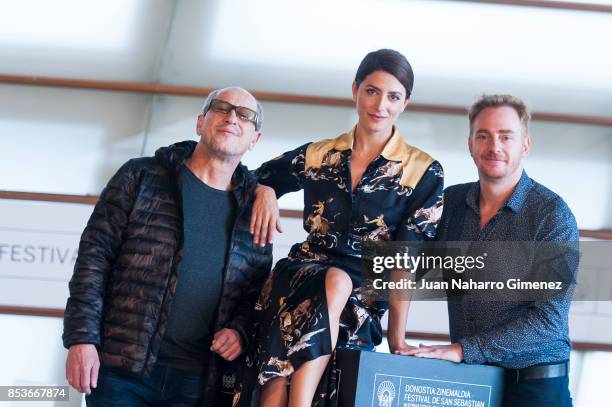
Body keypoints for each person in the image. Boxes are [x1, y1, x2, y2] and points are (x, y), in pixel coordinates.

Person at [244, 49, 444, 407]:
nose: (380, 104)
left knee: (336, 291)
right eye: (371, 90)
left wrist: (398, 339)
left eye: (393, 96)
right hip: (301, 274)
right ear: (355, 90)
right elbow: (252, 178)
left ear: (405, 103)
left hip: (364, 297)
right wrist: (265, 190)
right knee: (331, 282)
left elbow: (405, 262)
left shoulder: (423, 171)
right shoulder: (319, 154)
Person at [62, 87, 273, 406]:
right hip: (121, 370)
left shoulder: (254, 210)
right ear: (200, 122)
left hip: (199, 381)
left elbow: (255, 292)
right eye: (222, 108)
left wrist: (240, 330)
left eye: (245, 115)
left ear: (254, 139)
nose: (232, 117)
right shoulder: (140, 176)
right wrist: (81, 339)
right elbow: (94, 260)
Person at [406, 94, 578, 406]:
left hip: (535, 388)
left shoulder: (552, 215)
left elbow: (549, 319)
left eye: (506, 136)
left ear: (525, 145)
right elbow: (405, 267)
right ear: (470, 144)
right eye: (483, 136)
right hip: (472, 382)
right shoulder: (450, 205)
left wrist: (460, 350)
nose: (493, 146)